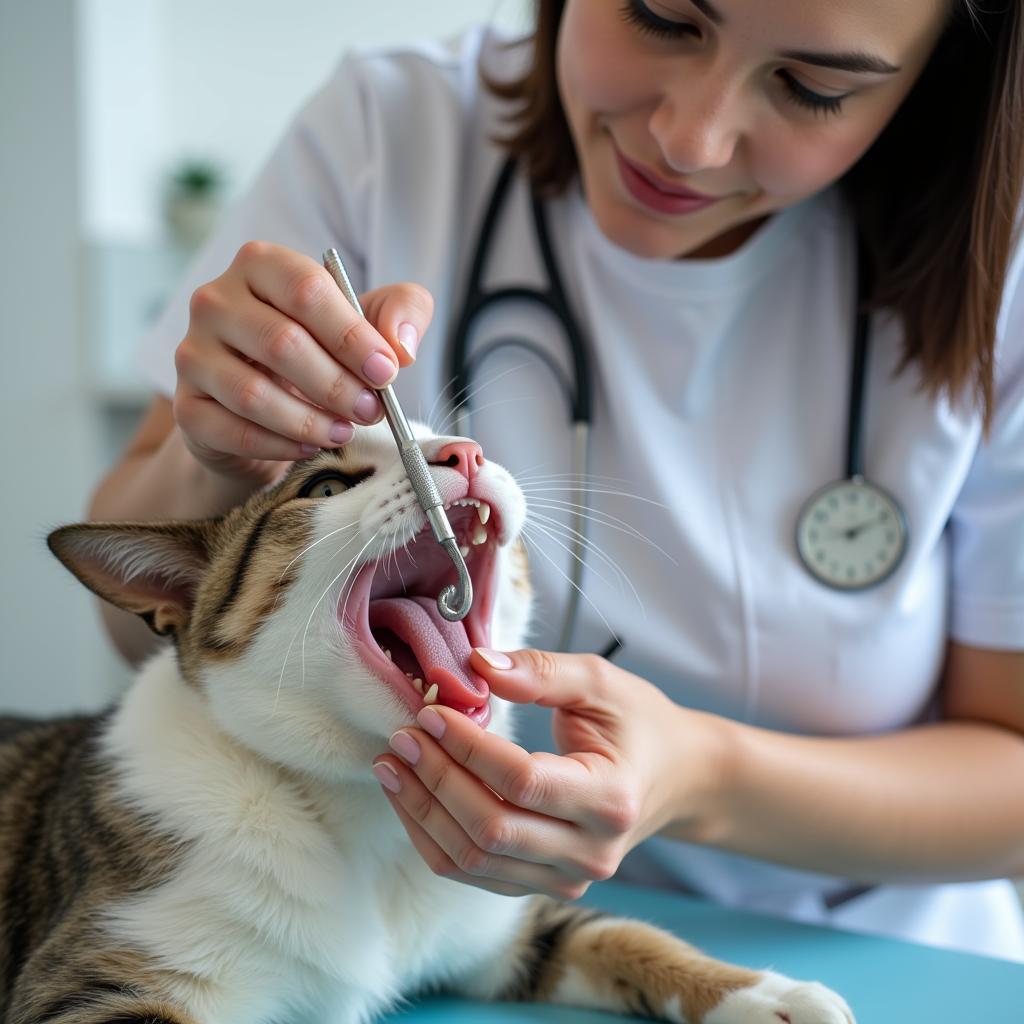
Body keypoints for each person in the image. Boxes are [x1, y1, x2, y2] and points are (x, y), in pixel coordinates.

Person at [91, 0, 1024, 961]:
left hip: (887, 959)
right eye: (663, 18)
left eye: (811, 88)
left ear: (932, 86)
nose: (688, 140)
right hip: (441, 947)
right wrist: (217, 460)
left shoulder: (1005, 265)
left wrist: (703, 780)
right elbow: (133, 623)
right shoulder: (390, 131)